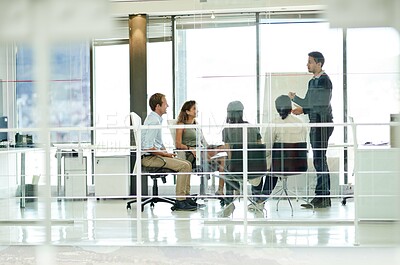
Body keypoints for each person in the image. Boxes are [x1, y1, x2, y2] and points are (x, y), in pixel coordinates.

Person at [288, 51, 334, 208]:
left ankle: (323, 197)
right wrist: (295, 101)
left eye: (310, 62)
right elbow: (308, 102)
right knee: (318, 160)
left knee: (319, 159)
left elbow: (321, 103)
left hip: (322, 123)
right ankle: (321, 196)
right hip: (315, 122)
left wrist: (303, 109)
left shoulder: (324, 81)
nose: (307, 64)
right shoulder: (312, 82)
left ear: (319, 64)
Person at [249, 95, 308, 211]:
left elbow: (267, 148)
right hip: (298, 164)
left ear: (277, 109)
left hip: (279, 165)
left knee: (258, 165)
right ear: (291, 108)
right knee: (274, 167)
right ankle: (261, 200)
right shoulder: (301, 124)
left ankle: (258, 199)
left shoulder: (274, 124)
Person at [141, 93, 197, 211]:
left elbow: (157, 143)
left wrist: (167, 153)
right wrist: (165, 154)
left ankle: (185, 197)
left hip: (154, 156)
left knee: (187, 164)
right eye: (165, 103)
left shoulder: (156, 119)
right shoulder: (154, 121)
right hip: (149, 159)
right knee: (184, 166)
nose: (167, 105)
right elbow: (147, 147)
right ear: (158, 106)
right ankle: (180, 201)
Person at [175, 100, 226, 195]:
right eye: (194, 108)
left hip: (202, 150)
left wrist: (211, 147)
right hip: (192, 154)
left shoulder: (196, 125)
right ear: (187, 111)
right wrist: (190, 148)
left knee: (224, 150)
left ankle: (220, 190)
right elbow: (178, 144)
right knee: (214, 154)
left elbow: (204, 143)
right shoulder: (181, 125)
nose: (196, 111)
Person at [220, 100, 262, 216]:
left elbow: (229, 154)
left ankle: (229, 202)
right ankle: (258, 200)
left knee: (226, 168)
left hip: (236, 169)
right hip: (254, 169)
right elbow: (260, 150)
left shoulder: (226, 130)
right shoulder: (254, 128)